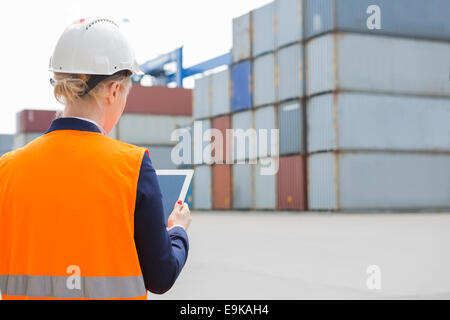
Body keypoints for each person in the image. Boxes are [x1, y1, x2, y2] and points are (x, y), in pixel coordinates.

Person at [0, 17, 192, 300]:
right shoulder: (133, 165)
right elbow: (160, 277)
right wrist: (177, 232)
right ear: (114, 91)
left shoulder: (8, 168)